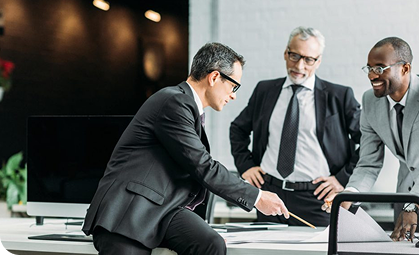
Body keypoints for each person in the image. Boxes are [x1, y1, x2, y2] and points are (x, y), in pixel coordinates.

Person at [82, 42, 289, 255]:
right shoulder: (173, 101)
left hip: (164, 209)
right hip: (131, 211)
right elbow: (201, 165)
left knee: (211, 243)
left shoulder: (188, 109)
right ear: (215, 77)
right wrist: (257, 197)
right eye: (234, 86)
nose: (234, 95)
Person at [322, 36, 419, 241]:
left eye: (380, 68)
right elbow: (368, 163)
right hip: (404, 196)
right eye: (369, 68)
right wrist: (348, 196)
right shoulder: (370, 101)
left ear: (405, 68)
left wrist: (412, 205)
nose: (372, 75)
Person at [230, 26, 361, 227]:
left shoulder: (339, 96)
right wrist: (245, 166)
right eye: (294, 56)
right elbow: (238, 129)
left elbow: (369, 142)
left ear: (318, 61)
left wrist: (343, 178)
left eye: (309, 59)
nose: (299, 65)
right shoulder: (265, 90)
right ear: (285, 53)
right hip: (270, 194)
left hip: (317, 199)